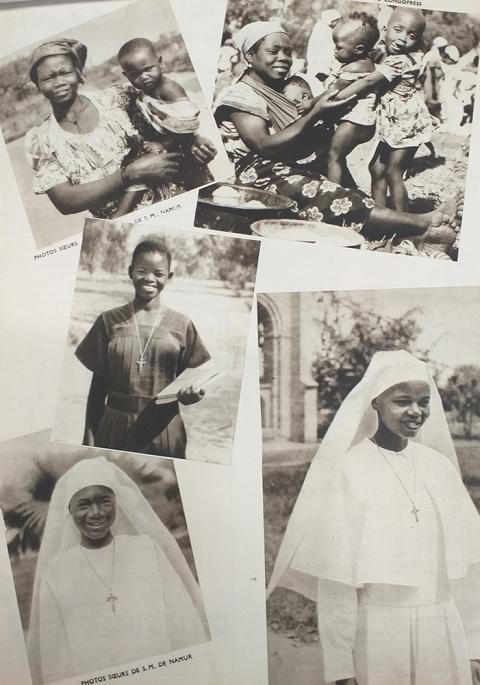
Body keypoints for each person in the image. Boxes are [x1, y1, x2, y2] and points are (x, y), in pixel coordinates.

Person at [267, 350, 480, 685]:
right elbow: (336, 579)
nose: (415, 411)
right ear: (375, 403)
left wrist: (473, 646)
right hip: (379, 635)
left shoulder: (438, 467)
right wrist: (341, 668)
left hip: (442, 628)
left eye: (423, 402)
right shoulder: (349, 469)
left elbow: (468, 568)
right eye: (402, 401)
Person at [215, 21, 462, 254]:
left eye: (288, 52)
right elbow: (264, 146)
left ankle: (417, 238)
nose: (283, 58)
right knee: (328, 195)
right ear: (250, 56)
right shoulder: (241, 94)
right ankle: (424, 222)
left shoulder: (287, 85)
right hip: (258, 176)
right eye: (274, 51)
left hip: (293, 166)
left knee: (351, 198)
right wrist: (317, 112)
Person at [27, 457, 209, 685]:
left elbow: (182, 624)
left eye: (104, 501)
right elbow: (57, 659)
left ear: (117, 502)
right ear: (69, 511)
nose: (96, 513)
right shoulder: (55, 573)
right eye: (83, 504)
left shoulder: (147, 550)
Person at [75, 237, 211, 458]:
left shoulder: (182, 324)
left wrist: (192, 395)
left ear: (169, 277)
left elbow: (195, 379)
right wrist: (88, 439)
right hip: (114, 427)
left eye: (158, 273)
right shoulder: (108, 321)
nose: (149, 278)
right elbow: (98, 387)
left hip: (165, 429)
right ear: (130, 271)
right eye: (142, 270)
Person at [25, 39, 182, 220]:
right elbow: (65, 201)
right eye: (48, 78)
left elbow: (168, 104)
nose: (59, 82)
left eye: (65, 72)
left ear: (78, 73)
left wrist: (194, 137)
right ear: (37, 84)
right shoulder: (42, 140)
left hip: (172, 201)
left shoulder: (115, 99)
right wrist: (127, 175)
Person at [115, 37, 217, 216]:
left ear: (160, 63)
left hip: (182, 149)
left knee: (199, 194)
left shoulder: (169, 89)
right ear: (126, 76)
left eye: (148, 69)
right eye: (135, 74)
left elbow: (187, 123)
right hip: (170, 154)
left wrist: (164, 144)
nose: (143, 76)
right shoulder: (145, 91)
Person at [369, 9, 433, 212]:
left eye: (411, 35)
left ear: (418, 40)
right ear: (385, 29)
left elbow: (369, 81)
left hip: (406, 123)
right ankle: (380, 216)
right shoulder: (388, 53)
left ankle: (401, 225)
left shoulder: (400, 61)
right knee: (376, 169)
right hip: (395, 123)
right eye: (398, 30)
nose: (403, 38)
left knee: (393, 172)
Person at [319, 12, 380, 187]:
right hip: (360, 122)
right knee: (338, 156)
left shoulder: (354, 68)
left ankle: (332, 198)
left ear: (358, 49)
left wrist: (309, 104)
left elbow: (330, 93)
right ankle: (350, 191)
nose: (335, 50)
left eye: (339, 47)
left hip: (356, 122)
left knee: (333, 156)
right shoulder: (364, 62)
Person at [306, 9, 341, 81]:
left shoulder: (321, 27)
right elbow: (327, 51)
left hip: (317, 64)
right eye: (337, 21)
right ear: (331, 20)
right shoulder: (324, 30)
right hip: (320, 66)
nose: (338, 23)